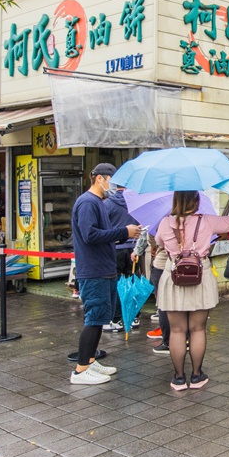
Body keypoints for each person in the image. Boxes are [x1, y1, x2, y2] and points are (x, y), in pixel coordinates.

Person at [154, 192, 229, 391]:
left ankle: (179, 378)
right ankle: (197, 375)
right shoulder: (207, 221)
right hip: (199, 275)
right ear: (196, 202)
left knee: (177, 330)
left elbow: (159, 242)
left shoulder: (165, 222)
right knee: (197, 329)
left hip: (173, 277)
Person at [70, 163, 141, 385]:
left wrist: (126, 235)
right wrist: (123, 231)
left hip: (105, 268)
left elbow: (104, 234)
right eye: (112, 179)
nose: (114, 185)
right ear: (100, 178)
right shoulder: (87, 202)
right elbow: (89, 234)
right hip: (93, 271)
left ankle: (90, 360)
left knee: (100, 318)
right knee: (93, 319)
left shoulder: (99, 203)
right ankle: (81, 370)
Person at [102, 182, 141, 332]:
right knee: (133, 282)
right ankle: (134, 317)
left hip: (115, 248)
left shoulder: (108, 204)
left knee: (117, 284)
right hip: (134, 249)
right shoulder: (136, 203)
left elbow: (104, 227)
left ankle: (117, 319)